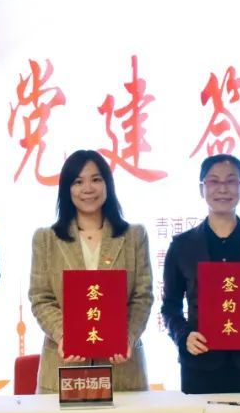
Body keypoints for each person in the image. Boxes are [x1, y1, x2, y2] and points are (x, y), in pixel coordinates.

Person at [29, 150, 153, 393]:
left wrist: (127, 337)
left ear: (108, 184)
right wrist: (65, 336)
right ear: (67, 189)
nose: (88, 188)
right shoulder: (46, 239)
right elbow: (41, 298)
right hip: (64, 368)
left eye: (96, 179)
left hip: (122, 369)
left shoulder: (134, 236)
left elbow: (143, 296)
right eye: (78, 181)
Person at [161, 154, 240, 393]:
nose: (223, 189)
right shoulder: (182, 245)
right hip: (200, 364)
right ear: (202, 188)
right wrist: (184, 336)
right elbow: (170, 307)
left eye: (231, 181)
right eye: (214, 181)